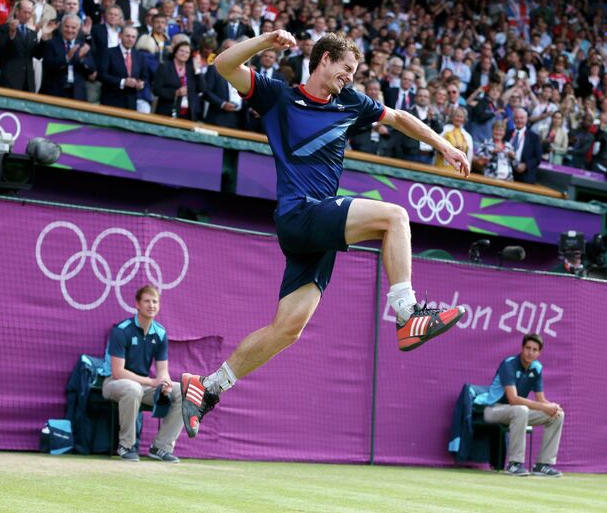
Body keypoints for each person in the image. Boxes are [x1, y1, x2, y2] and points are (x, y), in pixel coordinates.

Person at [178, 30, 470, 439]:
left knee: (287, 330)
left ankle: (207, 387)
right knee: (396, 217)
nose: (349, 78)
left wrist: (444, 145)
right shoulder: (277, 96)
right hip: (302, 213)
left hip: (315, 231)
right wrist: (265, 42)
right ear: (324, 59)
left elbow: (400, 119)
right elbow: (224, 65)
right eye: (345, 69)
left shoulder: (350, 102)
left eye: (353, 72)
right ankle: (407, 314)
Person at [102, 285, 182, 462]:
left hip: (143, 386)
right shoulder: (121, 331)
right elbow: (117, 372)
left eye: (155, 301)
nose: (151, 305)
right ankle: (126, 446)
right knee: (132, 389)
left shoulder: (160, 333)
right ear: (137, 304)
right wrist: (151, 382)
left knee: (184, 392)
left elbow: (163, 371)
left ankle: (160, 448)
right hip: (113, 383)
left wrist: (165, 383)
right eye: (147, 301)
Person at [479, 333, 564, 477]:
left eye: (534, 350)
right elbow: (513, 399)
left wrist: (551, 406)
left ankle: (542, 465)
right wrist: (544, 407)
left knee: (557, 415)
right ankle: (514, 464)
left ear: (539, 353)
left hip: (517, 412)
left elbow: (541, 399)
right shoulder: (509, 364)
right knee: (521, 409)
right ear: (522, 348)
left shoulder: (536, 368)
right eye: (528, 348)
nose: (530, 352)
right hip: (492, 410)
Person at [0, 0, 50, 92]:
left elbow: (37, 55)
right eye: (25, 12)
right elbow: (5, 52)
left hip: (28, 82)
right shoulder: (4, 28)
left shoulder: (32, 33)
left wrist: (44, 39)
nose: (27, 16)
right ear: (17, 11)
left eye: (30, 13)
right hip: (10, 79)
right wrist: (12, 34)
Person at [40, 14, 97, 100]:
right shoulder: (51, 43)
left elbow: (92, 70)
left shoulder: (83, 46)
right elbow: (47, 64)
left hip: (77, 94)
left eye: (73, 28)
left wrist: (81, 58)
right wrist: (67, 58)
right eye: (67, 26)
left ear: (78, 30)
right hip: (54, 92)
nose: (70, 30)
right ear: (61, 27)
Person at [99, 25, 147, 110]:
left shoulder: (139, 56)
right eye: (127, 36)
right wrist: (123, 82)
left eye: (133, 37)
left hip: (131, 102)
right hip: (111, 101)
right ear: (120, 35)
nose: (130, 39)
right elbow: (102, 75)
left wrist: (141, 83)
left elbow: (144, 76)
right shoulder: (109, 52)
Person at [152, 40, 203, 120]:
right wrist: (175, 93)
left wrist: (197, 70)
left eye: (187, 52)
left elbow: (202, 88)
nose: (184, 54)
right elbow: (156, 90)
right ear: (175, 52)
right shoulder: (165, 67)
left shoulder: (191, 70)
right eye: (181, 51)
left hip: (188, 114)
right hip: (167, 111)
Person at [508, 108, 543, 183]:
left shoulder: (534, 137)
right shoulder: (507, 134)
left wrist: (525, 165)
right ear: (513, 119)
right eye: (517, 118)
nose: (519, 120)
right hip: (507, 173)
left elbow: (538, 157)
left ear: (526, 119)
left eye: (522, 118)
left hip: (524, 176)